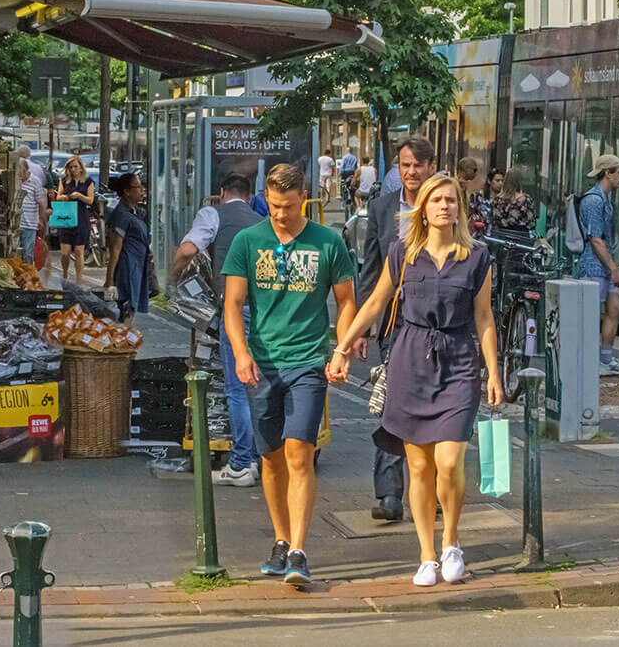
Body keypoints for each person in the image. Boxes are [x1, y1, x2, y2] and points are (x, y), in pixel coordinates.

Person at [329, 172, 502, 587]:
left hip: (459, 361)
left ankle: (452, 541)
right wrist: (342, 348)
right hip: (411, 361)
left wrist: (493, 372)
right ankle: (426, 555)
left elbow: (484, 318)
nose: (445, 206)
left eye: (451, 200)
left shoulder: (477, 257)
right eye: (437, 200)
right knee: (420, 468)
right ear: (422, 208)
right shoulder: (402, 252)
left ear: (460, 208)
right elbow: (374, 303)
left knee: (449, 461)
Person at [222, 163, 357, 587]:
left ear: (304, 196)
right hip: (262, 363)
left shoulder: (328, 242)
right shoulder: (248, 241)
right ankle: (280, 540)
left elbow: (346, 301)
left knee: (299, 450)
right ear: (266, 196)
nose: (281, 214)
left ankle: (299, 548)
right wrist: (241, 353)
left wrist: (340, 348)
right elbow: (233, 304)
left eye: (289, 206)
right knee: (270, 457)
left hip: (307, 361)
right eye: (275, 205)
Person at [359, 135, 438, 522]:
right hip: (394, 321)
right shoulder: (382, 208)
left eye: (417, 165)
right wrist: (359, 326)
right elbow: (370, 268)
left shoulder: (443, 203)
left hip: (439, 322)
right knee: (390, 400)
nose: (410, 172)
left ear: (431, 167)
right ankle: (389, 493)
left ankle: (433, 490)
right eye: (404, 165)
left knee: (434, 404)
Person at [171, 173, 263, 488]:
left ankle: (240, 463)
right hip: (264, 311)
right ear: (250, 197)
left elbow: (187, 250)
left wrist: (173, 271)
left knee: (237, 388)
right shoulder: (260, 219)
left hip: (235, 310)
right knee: (257, 386)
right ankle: (258, 459)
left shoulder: (213, 214)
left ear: (221, 192)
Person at [576, 154, 619, 376]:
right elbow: (595, 238)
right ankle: (589, 359)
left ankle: (605, 358)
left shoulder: (603, 198)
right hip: (594, 265)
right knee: (591, 313)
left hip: (603, 264)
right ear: (608, 173)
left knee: (614, 307)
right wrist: (613, 267)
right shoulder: (594, 200)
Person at [105, 172, 151, 322]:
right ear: (127, 191)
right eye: (138, 187)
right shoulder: (121, 215)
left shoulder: (135, 211)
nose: (142, 190)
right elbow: (115, 250)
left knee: (131, 308)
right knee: (126, 309)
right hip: (127, 269)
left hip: (137, 266)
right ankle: (123, 338)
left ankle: (126, 337)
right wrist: (110, 280)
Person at [54, 155, 96, 285]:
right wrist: (66, 197)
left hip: (81, 217)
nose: (73, 169)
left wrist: (79, 195)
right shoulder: (64, 180)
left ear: (81, 167)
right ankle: (65, 273)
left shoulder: (88, 181)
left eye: (75, 167)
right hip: (66, 216)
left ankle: (79, 279)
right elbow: (58, 197)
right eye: (71, 167)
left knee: (79, 250)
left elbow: (90, 200)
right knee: (65, 252)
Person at [15, 146, 48, 272]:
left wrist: (40, 219)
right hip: (18, 222)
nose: (20, 177)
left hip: (29, 223)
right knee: (17, 254)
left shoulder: (35, 181)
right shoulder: (17, 181)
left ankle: (28, 276)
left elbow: (41, 202)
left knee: (28, 253)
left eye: (21, 174)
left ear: (26, 171)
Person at [490, 167, 536, 235]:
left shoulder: (498, 200)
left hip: (502, 237)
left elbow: (493, 220)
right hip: (522, 238)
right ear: (520, 181)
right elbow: (532, 224)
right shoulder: (527, 200)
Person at [456, 157, 486, 233]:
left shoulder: (474, 185)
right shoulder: (454, 185)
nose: (476, 173)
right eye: (474, 170)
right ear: (465, 169)